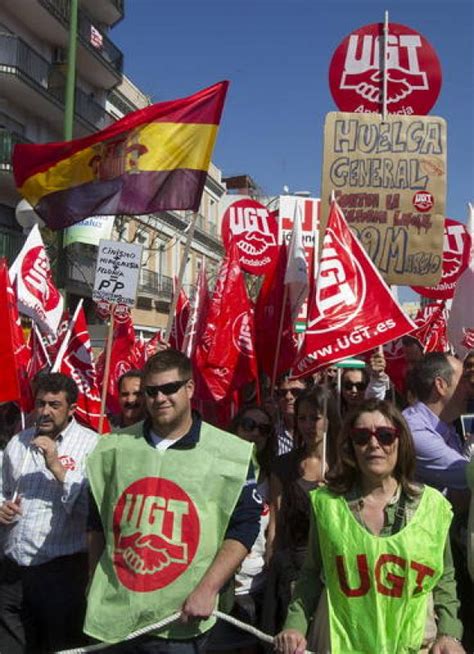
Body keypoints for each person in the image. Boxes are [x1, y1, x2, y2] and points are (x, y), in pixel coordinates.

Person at [85, 349, 261, 653]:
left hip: (182, 622)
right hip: (115, 619)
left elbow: (244, 528)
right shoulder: (111, 448)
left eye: (170, 388)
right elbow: (96, 524)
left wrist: (208, 589)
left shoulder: (230, 453)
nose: (160, 398)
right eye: (151, 391)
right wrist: (92, 584)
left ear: (189, 388)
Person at [275, 398, 465, 654]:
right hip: (342, 644)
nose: (374, 444)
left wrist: (450, 634)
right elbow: (311, 572)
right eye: (362, 436)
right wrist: (295, 626)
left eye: (386, 435)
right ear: (351, 446)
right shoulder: (327, 505)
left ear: (401, 441)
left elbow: (444, 577)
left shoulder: (433, 507)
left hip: (413, 644)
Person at [0, 373, 98, 654]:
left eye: (54, 404)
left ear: (72, 409)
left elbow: (91, 511)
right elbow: (4, 487)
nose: (45, 411)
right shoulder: (18, 442)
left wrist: (56, 466)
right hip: (13, 572)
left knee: (58, 647)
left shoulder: (92, 445)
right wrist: (2, 506)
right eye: (41, 403)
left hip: (61, 572)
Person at [262, 387, 339, 636]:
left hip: (337, 568)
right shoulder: (284, 465)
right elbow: (276, 517)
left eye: (315, 417)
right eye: (302, 418)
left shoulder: (346, 466)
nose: (308, 425)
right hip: (297, 566)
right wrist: (272, 557)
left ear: (329, 418)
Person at [208, 405, 275, 654]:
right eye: (248, 425)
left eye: (264, 429)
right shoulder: (215, 470)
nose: (255, 433)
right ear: (235, 428)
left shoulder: (272, 477)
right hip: (222, 587)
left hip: (258, 584)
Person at [403, 353, 470, 492]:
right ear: (441, 385)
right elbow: (468, 476)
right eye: (464, 380)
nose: (470, 387)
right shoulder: (415, 432)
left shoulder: (446, 425)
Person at [273, 375, 310, 455]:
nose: (288, 397)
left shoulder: (319, 432)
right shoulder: (272, 434)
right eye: (283, 393)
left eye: (295, 392)